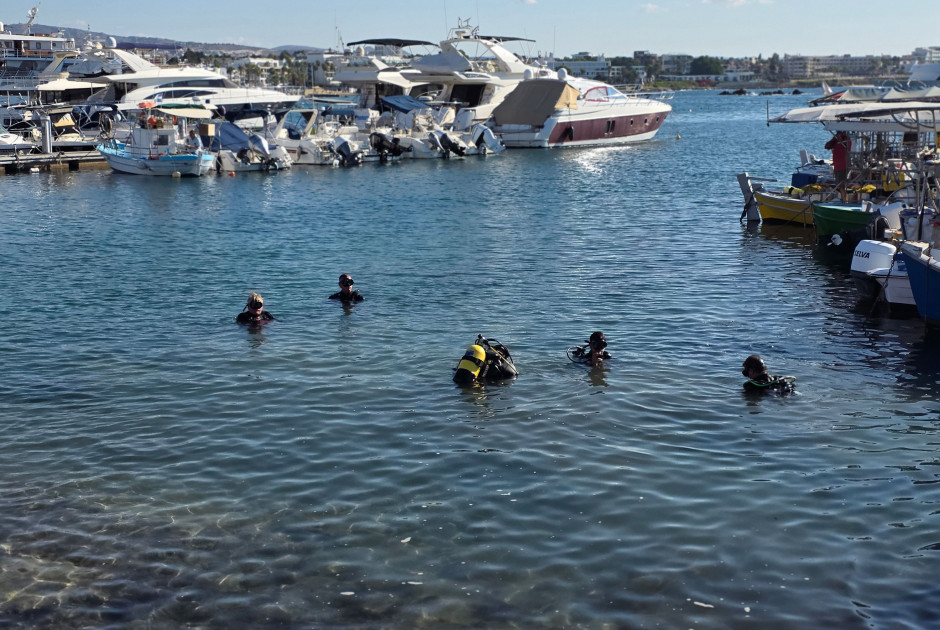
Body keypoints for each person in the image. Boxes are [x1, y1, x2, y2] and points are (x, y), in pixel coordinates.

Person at [453, 335, 518, 385]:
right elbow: (512, 375)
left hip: (458, 379)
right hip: (482, 383)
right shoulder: (501, 362)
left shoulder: (482, 355)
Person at [824, 130, 851, 199]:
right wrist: (834, 139)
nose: (838, 134)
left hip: (843, 165)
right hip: (837, 165)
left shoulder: (846, 140)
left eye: (840, 133)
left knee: (841, 185)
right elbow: (827, 146)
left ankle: (844, 199)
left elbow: (848, 147)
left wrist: (839, 139)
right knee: (839, 184)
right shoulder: (835, 140)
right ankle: (844, 198)